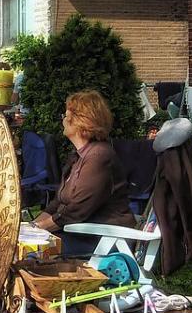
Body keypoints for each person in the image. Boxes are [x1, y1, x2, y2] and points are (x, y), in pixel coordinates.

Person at [32, 90, 136, 256]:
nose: (63, 120)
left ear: (80, 122)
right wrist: (30, 227)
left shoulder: (99, 157)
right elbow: (57, 203)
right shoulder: (79, 157)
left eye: (66, 115)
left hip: (105, 239)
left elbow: (76, 210)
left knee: (30, 253)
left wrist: (38, 229)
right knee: (19, 247)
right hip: (82, 233)